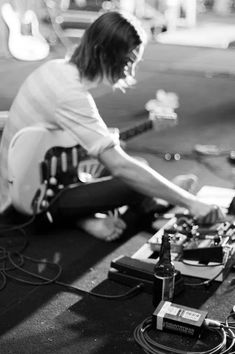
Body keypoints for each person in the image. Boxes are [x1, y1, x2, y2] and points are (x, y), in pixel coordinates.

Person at [0, 11, 225, 241]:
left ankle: (136, 205)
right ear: (102, 53)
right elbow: (119, 166)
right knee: (133, 182)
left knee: (139, 166)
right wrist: (191, 203)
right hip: (33, 201)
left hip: (39, 176)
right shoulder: (71, 93)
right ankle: (152, 203)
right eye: (128, 61)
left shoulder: (57, 70)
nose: (131, 72)